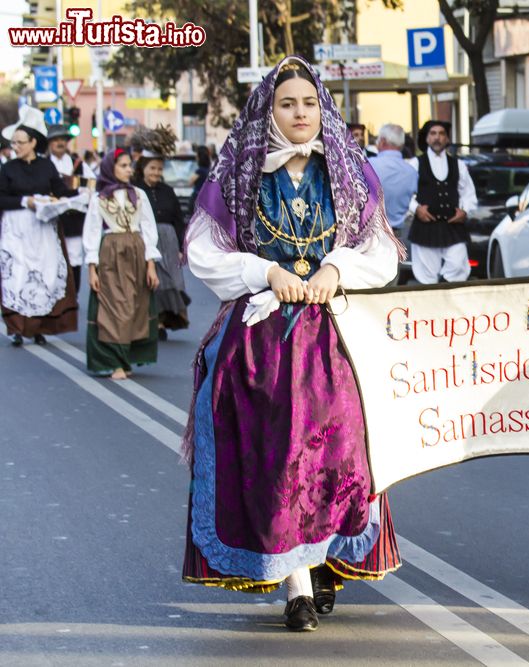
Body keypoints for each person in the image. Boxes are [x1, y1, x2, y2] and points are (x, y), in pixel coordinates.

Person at [180, 56, 405, 633]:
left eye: (308, 103)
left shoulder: (350, 172)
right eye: (287, 104)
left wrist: (336, 267)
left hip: (334, 338)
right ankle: (296, 586)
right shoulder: (237, 173)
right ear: (269, 112)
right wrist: (262, 271)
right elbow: (203, 253)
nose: (299, 113)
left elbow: (381, 253)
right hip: (264, 339)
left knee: (340, 450)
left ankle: (325, 555)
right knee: (277, 457)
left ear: (322, 108)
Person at [0, 106, 79, 346]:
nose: (16, 146)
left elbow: (60, 191)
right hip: (16, 227)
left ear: (33, 142)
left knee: (45, 278)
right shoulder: (8, 168)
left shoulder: (47, 166)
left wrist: (77, 194)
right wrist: (26, 201)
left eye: (20, 142)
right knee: (17, 278)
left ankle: (38, 328)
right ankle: (16, 328)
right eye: (13, 143)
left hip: (43, 228)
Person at [82, 149, 161, 379]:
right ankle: (116, 362)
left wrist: (151, 265)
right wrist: (92, 268)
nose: (129, 169)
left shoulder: (139, 195)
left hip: (136, 251)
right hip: (111, 254)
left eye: (129, 165)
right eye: (123, 165)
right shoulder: (99, 199)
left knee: (136, 304)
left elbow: (148, 229)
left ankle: (127, 358)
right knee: (115, 306)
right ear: (111, 168)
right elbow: (93, 232)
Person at [131, 125, 190, 338]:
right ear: (143, 168)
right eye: (152, 168)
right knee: (150, 281)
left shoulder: (168, 190)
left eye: (159, 169)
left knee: (170, 283)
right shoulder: (135, 189)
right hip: (145, 240)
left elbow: (177, 219)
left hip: (168, 240)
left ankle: (164, 321)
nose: (156, 172)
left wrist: (182, 246)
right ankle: (151, 322)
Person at [406, 120, 478, 284]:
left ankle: (448, 296)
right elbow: (404, 194)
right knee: (427, 277)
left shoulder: (458, 165)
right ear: (426, 138)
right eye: (433, 134)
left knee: (458, 264)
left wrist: (464, 210)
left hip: (453, 225)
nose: (437, 138)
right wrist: (416, 209)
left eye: (441, 134)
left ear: (447, 139)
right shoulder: (415, 164)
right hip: (425, 227)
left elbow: (468, 193)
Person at [47, 124, 88, 295]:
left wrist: (80, 193)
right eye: (55, 139)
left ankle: (73, 295)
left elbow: (89, 186)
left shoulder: (77, 164)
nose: (59, 143)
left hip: (73, 220)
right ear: (49, 143)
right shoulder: (44, 164)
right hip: (50, 220)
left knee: (74, 259)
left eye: (63, 139)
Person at [369, 123, 417, 242]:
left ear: (383, 141)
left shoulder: (367, 165)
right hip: (396, 236)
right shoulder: (411, 172)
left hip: (369, 233)